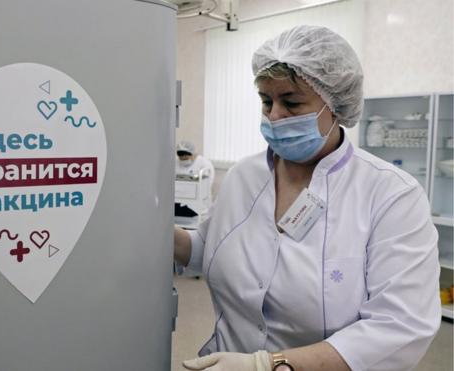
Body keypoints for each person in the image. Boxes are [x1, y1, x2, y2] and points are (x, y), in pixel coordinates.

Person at [175, 25, 440, 371]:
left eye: (292, 102)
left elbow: (399, 326)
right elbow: (209, 248)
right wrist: (152, 230)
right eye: (266, 101)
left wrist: (264, 365)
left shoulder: (391, 195)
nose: (274, 116)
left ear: (336, 106)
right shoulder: (244, 176)